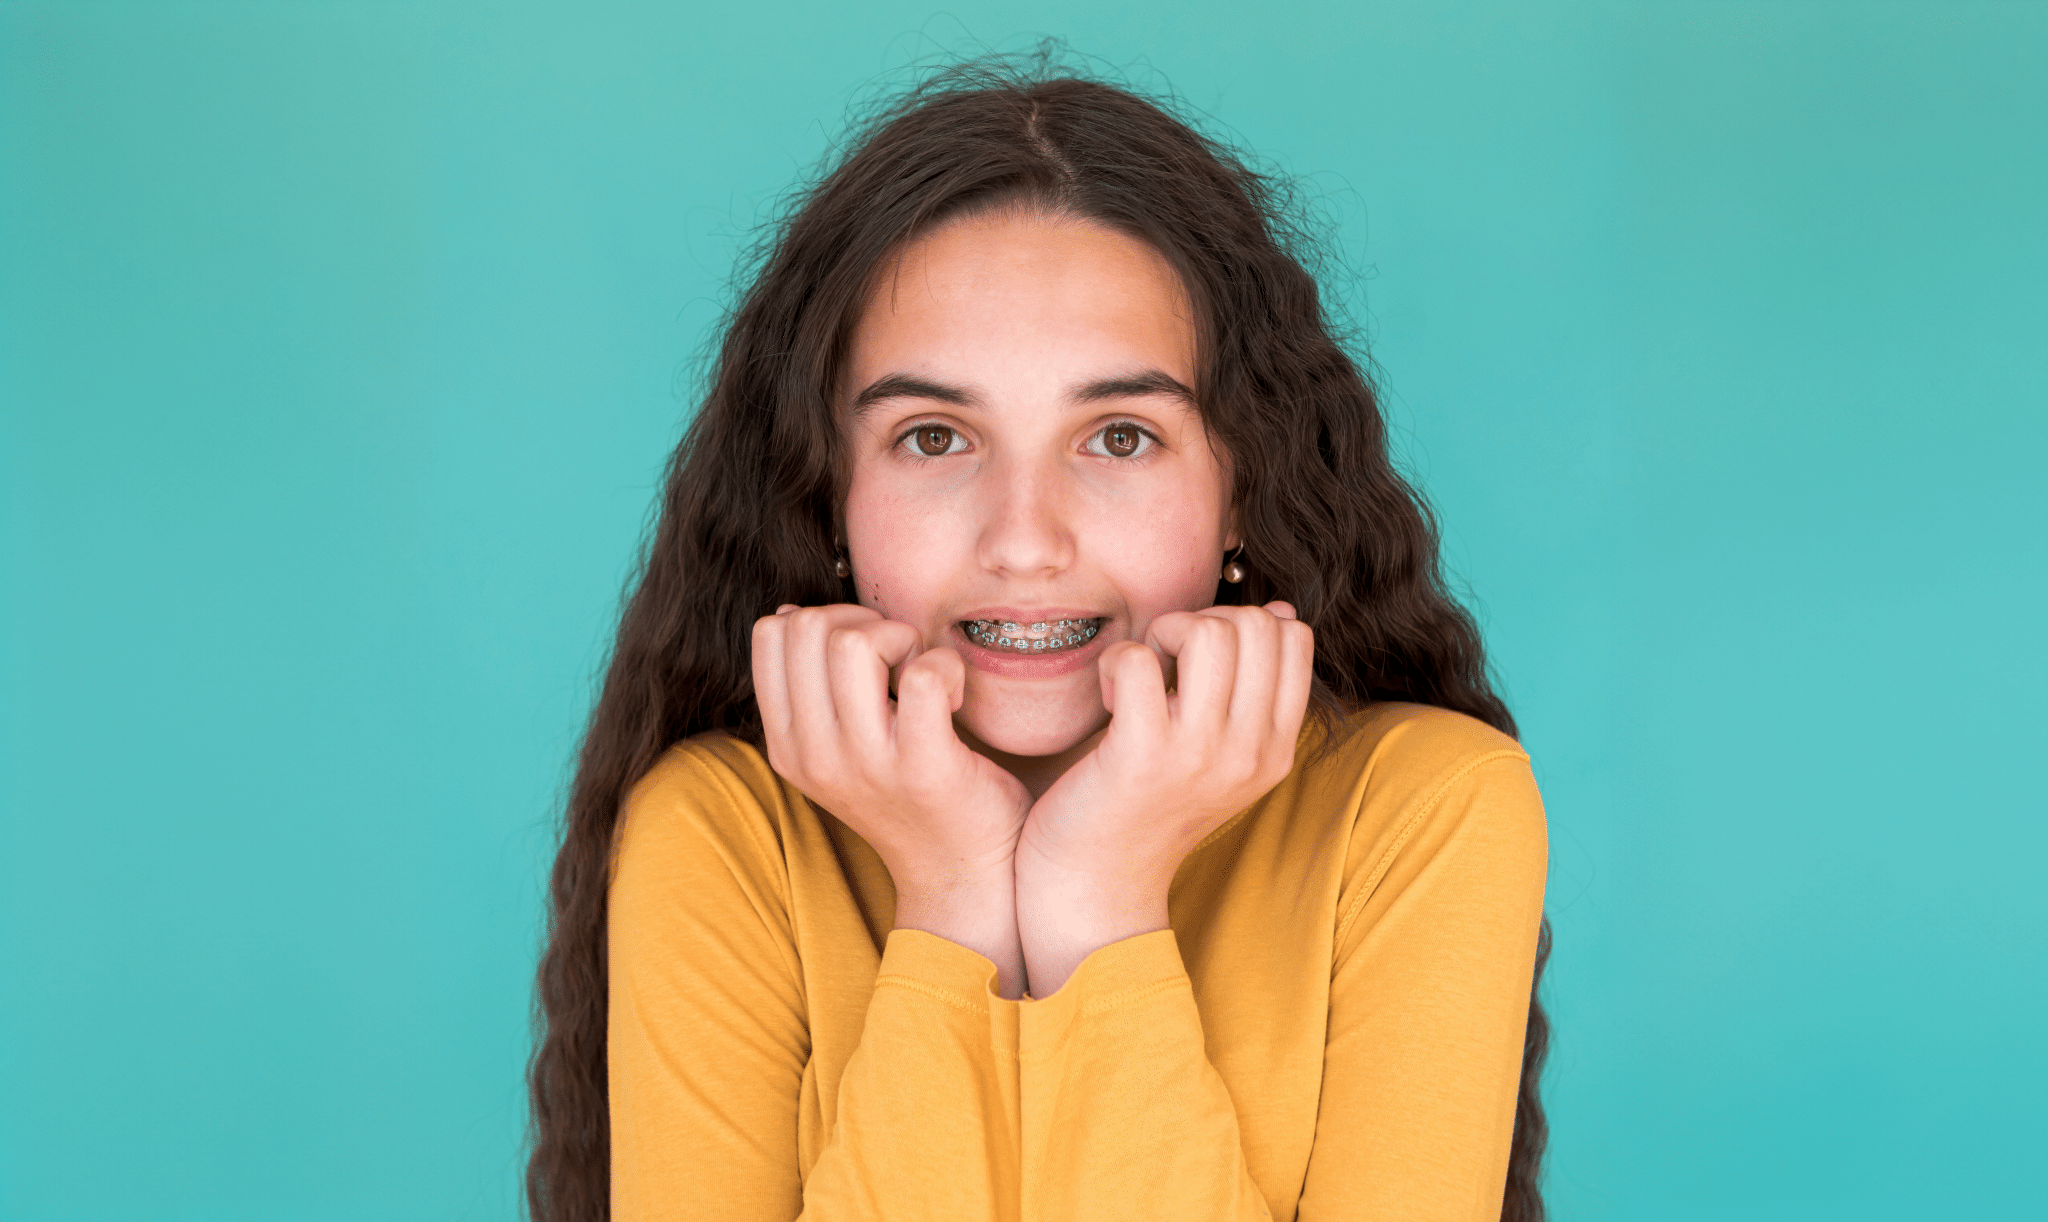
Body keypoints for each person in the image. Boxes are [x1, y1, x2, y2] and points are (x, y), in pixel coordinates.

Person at [527, 58, 1553, 1222]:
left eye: (1117, 437)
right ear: (827, 501)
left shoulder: (1424, 811)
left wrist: (1098, 906)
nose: (1023, 541)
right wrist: (951, 900)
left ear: (1239, 491)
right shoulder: (723, 833)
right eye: (931, 438)